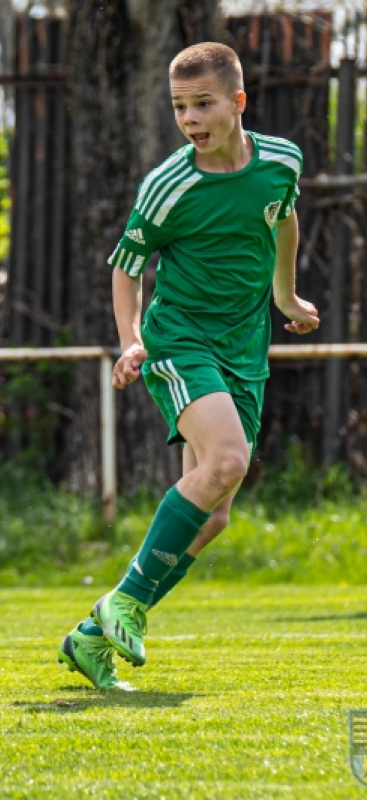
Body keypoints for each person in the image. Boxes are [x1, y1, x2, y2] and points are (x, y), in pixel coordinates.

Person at [58, 41, 320, 691]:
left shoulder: (281, 161)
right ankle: (124, 603)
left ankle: (92, 636)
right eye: (180, 107)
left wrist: (285, 296)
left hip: (243, 348)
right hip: (178, 339)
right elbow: (126, 265)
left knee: (217, 513)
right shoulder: (169, 185)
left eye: (203, 104)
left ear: (237, 103)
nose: (190, 118)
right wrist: (131, 341)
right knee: (227, 462)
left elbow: (283, 220)